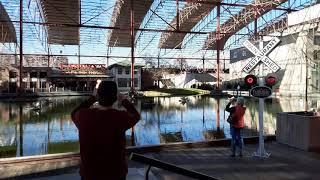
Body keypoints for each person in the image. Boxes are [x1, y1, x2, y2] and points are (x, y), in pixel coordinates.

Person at [71, 80, 141, 180]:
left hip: (89, 173)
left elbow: (74, 113)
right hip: (116, 172)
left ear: (98, 96)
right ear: (115, 98)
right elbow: (136, 116)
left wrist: (92, 98)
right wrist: (124, 101)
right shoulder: (120, 117)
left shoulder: (83, 116)